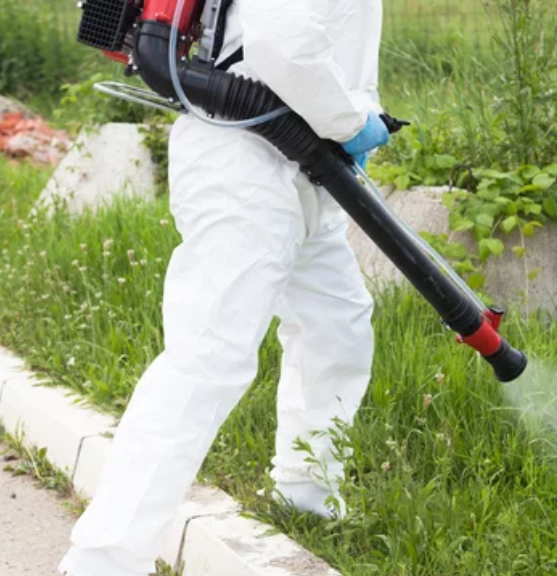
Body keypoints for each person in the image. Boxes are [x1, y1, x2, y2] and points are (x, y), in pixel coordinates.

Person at [59, 0, 386, 574]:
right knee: (210, 354)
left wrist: (350, 120)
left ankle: (306, 497)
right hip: (247, 159)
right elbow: (282, 40)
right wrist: (354, 123)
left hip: (301, 157)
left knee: (338, 325)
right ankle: (104, 559)